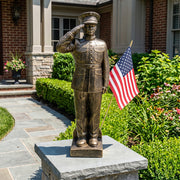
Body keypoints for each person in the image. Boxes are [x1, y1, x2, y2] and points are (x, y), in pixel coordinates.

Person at [56, 11, 109, 147]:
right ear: (83, 27)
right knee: (80, 111)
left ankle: (93, 136)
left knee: (94, 111)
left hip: (97, 82)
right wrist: (74, 30)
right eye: (87, 26)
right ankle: (81, 136)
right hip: (80, 82)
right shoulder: (76, 43)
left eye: (93, 26)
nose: (90, 28)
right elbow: (60, 47)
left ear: (96, 27)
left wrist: (105, 83)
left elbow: (105, 66)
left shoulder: (102, 44)